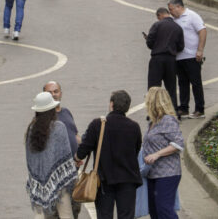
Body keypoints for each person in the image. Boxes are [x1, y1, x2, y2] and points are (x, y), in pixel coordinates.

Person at [76, 90, 142, 219]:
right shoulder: (134, 127)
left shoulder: (98, 125)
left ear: (111, 104)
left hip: (105, 181)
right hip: (128, 179)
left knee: (104, 215)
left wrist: (76, 158)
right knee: (126, 215)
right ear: (127, 107)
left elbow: (84, 149)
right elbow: (136, 150)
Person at [26, 92, 78, 219]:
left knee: (40, 214)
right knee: (66, 214)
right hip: (60, 181)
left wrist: (36, 178)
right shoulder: (59, 128)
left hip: (37, 183)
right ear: (52, 109)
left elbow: (29, 158)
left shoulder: (31, 129)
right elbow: (66, 156)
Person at [142, 87, 184, 219]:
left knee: (164, 210)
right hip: (152, 173)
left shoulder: (168, 120)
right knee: (154, 211)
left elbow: (178, 143)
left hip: (167, 173)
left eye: (147, 100)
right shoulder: (153, 122)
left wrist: (157, 154)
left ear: (154, 102)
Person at [43, 81, 82, 219]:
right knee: (55, 214)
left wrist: (81, 153)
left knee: (75, 209)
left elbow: (75, 135)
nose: (53, 95)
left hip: (72, 173)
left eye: (56, 91)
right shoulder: (44, 117)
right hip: (55, 178)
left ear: (61, 93)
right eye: (49, 92)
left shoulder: (66, 112)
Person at [168, 0, 207, 119]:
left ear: (178, 7)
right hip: (179, 57)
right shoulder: (173, 20)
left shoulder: (192, 16)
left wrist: (200, 50)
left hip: (192, 55)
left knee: (196, 83)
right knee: (182, 83)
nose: (170, 12)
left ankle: (199, 109)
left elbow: (202, 31)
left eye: (171, 9)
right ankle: (184, 108)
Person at [144, 8, 184, 114]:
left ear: (159, 15)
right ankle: (173, 111)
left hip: (157, 59)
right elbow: (181, 46)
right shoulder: (178, 27)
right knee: (171, 87)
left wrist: (150, 41)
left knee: (153, 87)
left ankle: (153, 113)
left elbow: (150, 43)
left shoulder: (157, 25)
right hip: (171, 60)